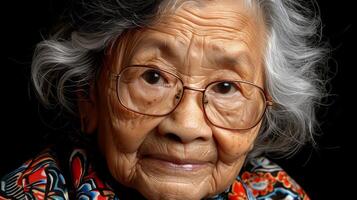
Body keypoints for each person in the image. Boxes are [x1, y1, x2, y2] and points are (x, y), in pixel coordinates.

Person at [0, 0, 327, 199]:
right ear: (88, 95)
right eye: (152, 77)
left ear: (264, 107)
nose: (186, 126)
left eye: (226, 87)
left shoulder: (277, 194)